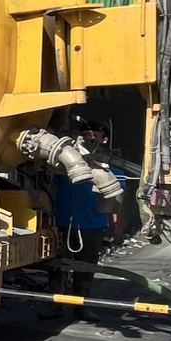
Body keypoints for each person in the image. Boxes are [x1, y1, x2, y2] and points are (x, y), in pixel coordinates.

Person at [45, 120, 124, 323]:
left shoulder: (111, 167)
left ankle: (81, 307)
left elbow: (116, 202)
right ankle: (55, 305)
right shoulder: (67, 162)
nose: (89, 137)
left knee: (86, 269)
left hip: (93, 225)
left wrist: (117, 227)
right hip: (62, 222)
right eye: (86, 133)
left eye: (94, 134)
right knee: (57, 267)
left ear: (104, 138)